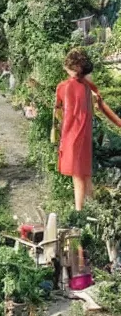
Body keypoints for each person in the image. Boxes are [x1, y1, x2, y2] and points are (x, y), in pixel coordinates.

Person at [52, 48, 121, 211]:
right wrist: (119, 123)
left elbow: (57, 111)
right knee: (85, 172)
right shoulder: (90, 87)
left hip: (71, 135)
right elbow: (103, 108)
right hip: (84, 134)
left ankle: (79, 211)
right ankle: (91, 209)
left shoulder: (62, 87)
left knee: (77, 173)